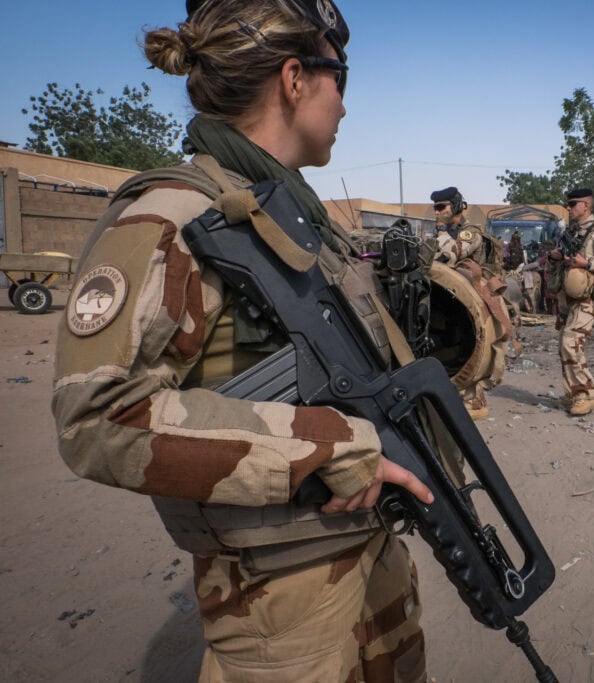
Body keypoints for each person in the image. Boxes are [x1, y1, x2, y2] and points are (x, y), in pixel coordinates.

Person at [51, 2, 434, 679]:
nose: (345, 106)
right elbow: (97, 414)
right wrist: (328, 445)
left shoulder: (294, 217)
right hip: (277, 599)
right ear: (294, 78)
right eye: (339, 79)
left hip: (369, 548)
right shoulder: (173, 215)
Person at [430, 185, 509, 420]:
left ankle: (475, 402)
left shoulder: (469, 232)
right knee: (453, 345)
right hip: (453, 299)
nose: (436, 212)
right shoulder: (445, 232)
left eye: (441, 207)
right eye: (434, 208)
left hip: (475, 298)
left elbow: (452, 253)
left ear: (454, 206)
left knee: (474, 347)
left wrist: (442, 232)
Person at [546, 188, 594, 416]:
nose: (568, 208)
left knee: (571, 345)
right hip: (567, 298)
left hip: (585, 299)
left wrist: (586, 263)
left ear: (586, 206)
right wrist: (555, 256)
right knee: (564, 347)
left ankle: (585, 394)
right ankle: (572, 394)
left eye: (573, 204)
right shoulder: (571, 232)